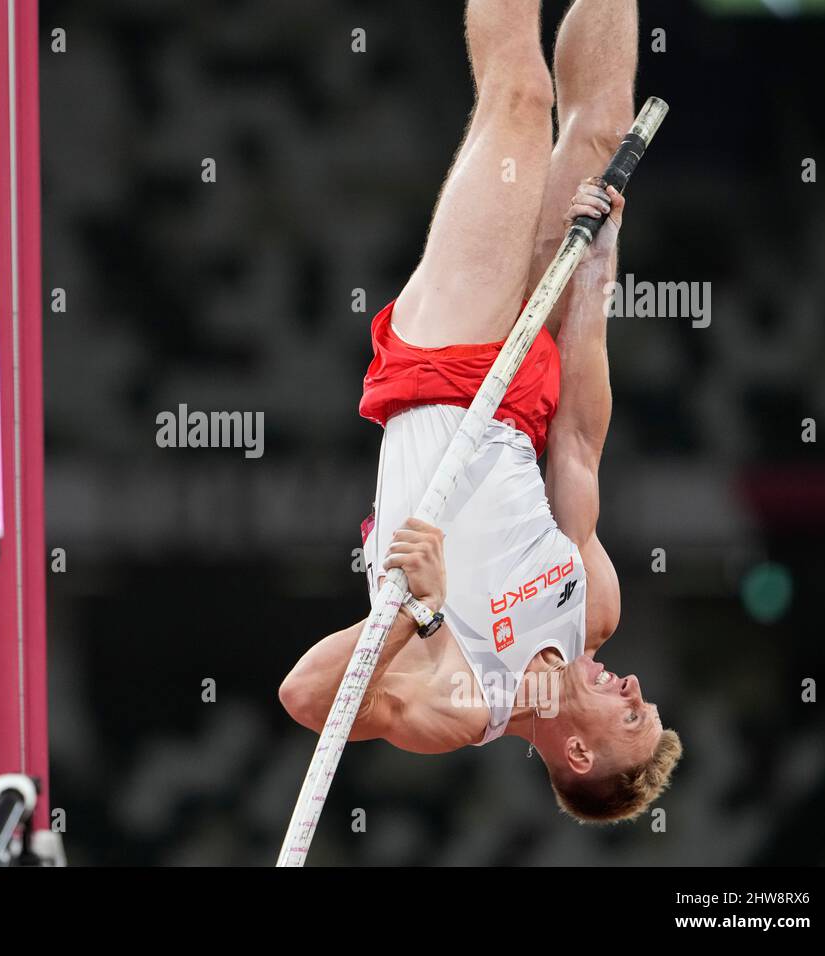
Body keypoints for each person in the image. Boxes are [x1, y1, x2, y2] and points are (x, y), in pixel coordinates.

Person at [279, 0, 681, 823]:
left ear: (578, 752)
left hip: (438, 365)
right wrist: (597, 270)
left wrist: (413, 613)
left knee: (521, 105)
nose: (637, 687)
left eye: (632, 715)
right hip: (521, 397)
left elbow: (306, 697)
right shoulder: (592, 609)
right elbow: (576, 445)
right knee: (601, 136)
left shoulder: (461, 704)